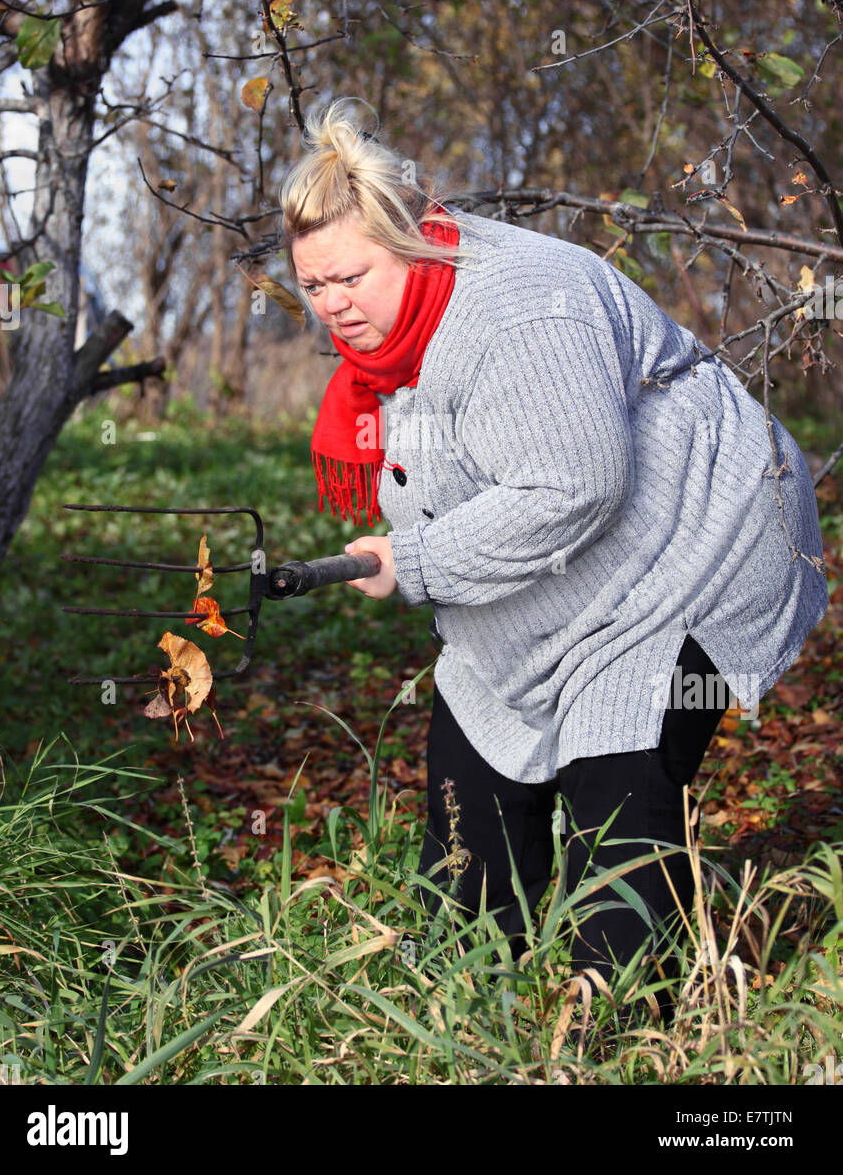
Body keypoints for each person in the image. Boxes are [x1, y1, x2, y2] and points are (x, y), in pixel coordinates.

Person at [278, 97, 829, 1023]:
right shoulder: (402, 326)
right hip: (580, 569)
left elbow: (571, 488)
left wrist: (414, 560)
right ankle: (467, 987)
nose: (331, 304)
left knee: (622, 768)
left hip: (703, 538)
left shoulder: (522, 308)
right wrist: (403, 545)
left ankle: (614, 1017)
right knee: (472, 751)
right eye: (312, 285)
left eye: (348, 277)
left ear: (411, 241)